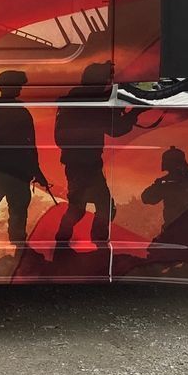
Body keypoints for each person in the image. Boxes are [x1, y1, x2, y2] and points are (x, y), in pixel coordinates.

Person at [51, 61, 136, 249]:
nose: (108, 82)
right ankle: (92, 243)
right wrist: (134, 114)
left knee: (85, 206)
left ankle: (65, 241)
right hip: (85, 163)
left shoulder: (75, 98)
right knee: (97, 206)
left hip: (80, 163)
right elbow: (116, 129)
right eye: (106, 78)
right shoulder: (92, 100)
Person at [0, 69, 49, 261]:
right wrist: (37, 172)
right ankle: (18, 249)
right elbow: (29, 146)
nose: (20, 88)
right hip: (16, 171)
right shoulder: (20, 113)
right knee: (17, 209)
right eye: (18, 85)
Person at [140, 146, 188, 246]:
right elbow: (146, 198)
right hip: (174, 228)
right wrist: (160, 185)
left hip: (186, 229)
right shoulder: (165, 182)